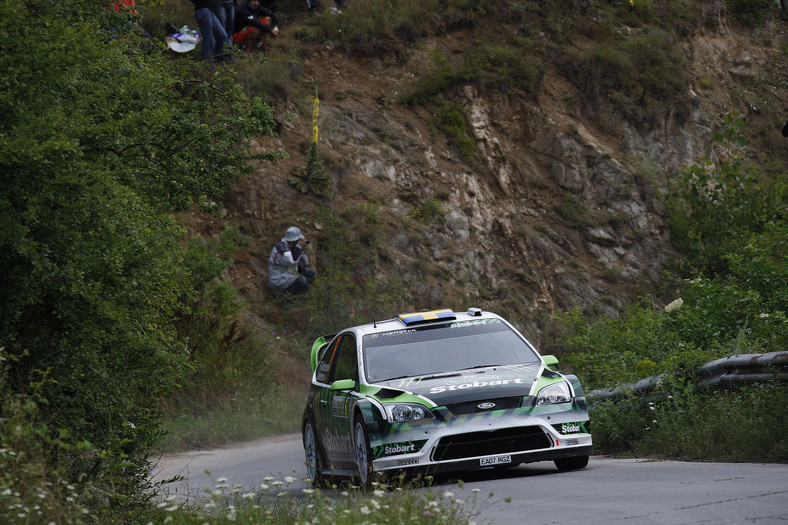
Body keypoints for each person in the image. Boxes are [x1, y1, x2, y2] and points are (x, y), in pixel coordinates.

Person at [268, 227, 316, 297]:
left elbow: (305, 264)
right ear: (293, 241)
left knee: (311, 274)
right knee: (301, 281)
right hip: (279, 279)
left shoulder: (293, 248)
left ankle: (300, 295)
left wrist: (302, 251)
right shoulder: (282, 248)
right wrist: (298, 247)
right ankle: (285, 300)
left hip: (289, 275)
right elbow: (291, 261)